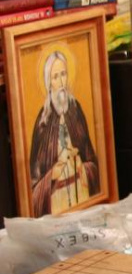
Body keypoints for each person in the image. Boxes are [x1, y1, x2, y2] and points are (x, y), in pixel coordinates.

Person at [29, 50, 99, 216]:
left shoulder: (76, 110)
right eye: (55, 77)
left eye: (63, 74)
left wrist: (82, 166)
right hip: (56, 204)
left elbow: (94, 164)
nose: (61, 82)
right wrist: (54, 173)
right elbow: (33, 188)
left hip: (81, 196)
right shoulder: (42, 122)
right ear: (48, 83)